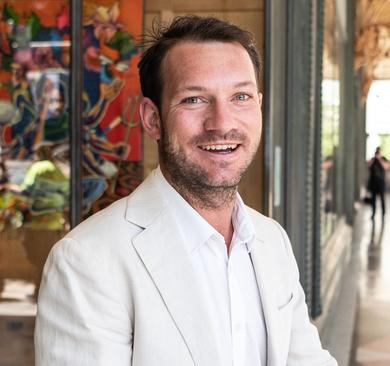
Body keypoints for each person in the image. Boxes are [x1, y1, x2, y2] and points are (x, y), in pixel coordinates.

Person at [35, 16, 338, 366]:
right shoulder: (86, 261)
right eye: (194, 100)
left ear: (258, 105)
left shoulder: (272, 240)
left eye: (240, 96)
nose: (222, 122)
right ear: (152, 119)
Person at [0, 143, 69, 300]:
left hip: (38, 224)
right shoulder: (58, 170)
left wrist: (8, 188)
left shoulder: (37, 168)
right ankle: (45, 291)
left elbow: (27, 192)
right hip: (55, 223)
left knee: (37, 258)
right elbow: (66, 194)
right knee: (46, 259)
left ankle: (40, 291)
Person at [366, 146, 389, 220]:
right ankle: (373, 213)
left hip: (381, 182)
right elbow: (368, 166)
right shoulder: (373, 160)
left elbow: (386, 167)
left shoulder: (383, 159)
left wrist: (380, 159)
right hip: (373, 182)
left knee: (382, 198)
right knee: (373, 199)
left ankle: (383, 213)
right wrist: (374, 159)